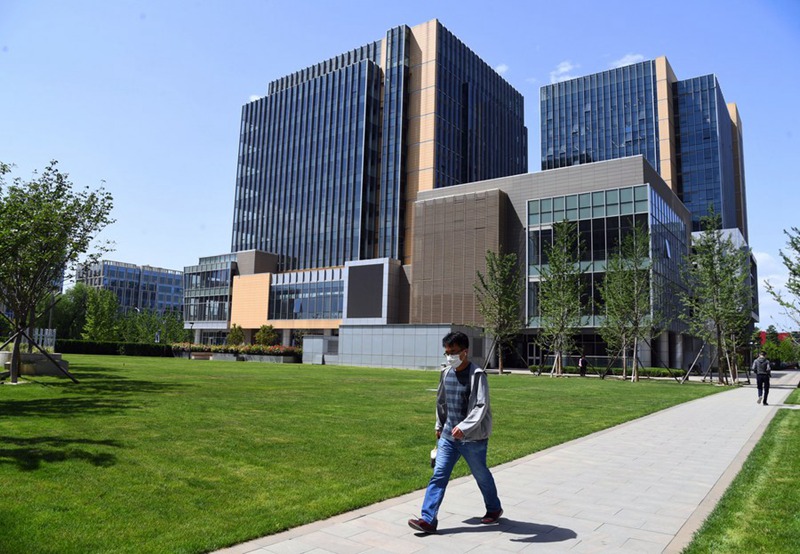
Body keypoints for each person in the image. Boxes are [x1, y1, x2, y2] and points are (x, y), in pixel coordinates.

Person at [408, 331, 502, 535]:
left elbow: (480, 405)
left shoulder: (477, 374)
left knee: (481, 475)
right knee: (439, 476)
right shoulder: (446, 372)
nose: (449, 356)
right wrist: (439, 426)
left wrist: (465, 427)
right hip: (449, 438)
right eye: (446, 352)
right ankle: (428, 519)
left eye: (453, 352)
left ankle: (494, 508)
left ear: (465, 352)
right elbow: (441, 402)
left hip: (473, 438)